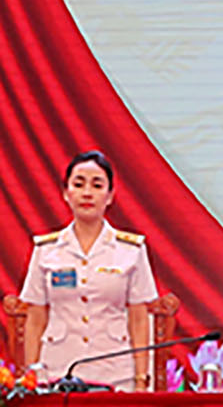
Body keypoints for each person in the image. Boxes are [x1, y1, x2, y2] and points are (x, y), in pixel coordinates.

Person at [18, 151, 159, 388]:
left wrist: (141, 379)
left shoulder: (131, 250)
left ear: (110, 195)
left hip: (115, 373)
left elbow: (139, 320)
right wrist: (30, 376)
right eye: (78, 184)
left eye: (97, 185)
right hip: (57, 370)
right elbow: (35, 319)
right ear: (66, 193)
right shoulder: (46, 250)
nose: (87, 193)